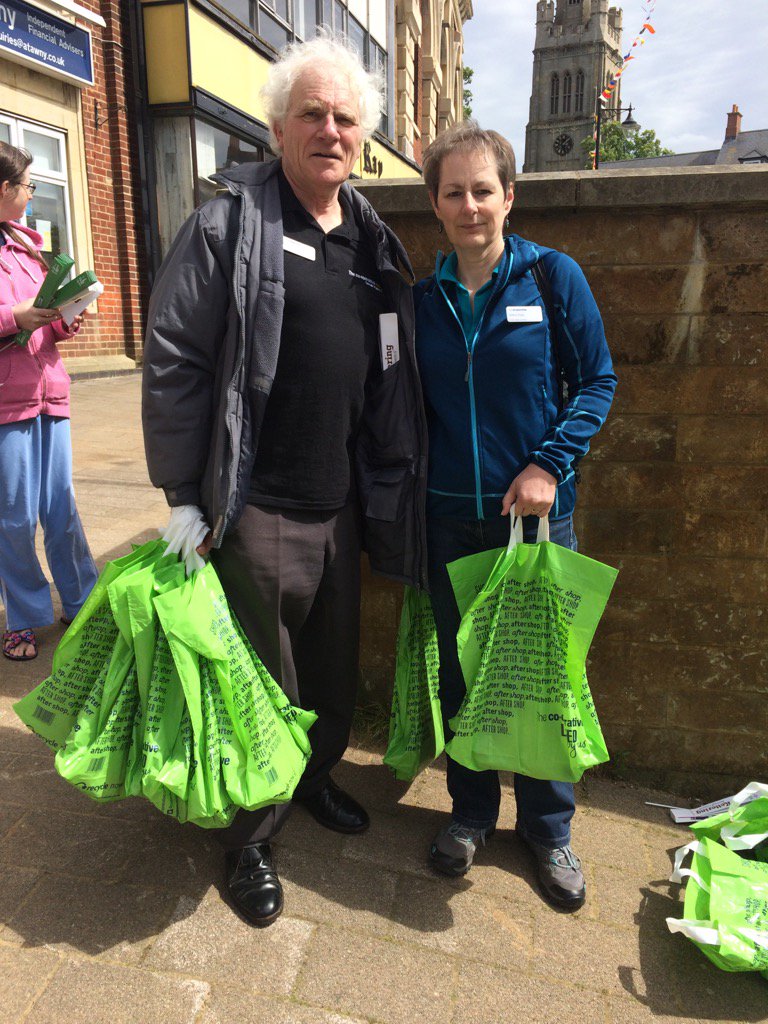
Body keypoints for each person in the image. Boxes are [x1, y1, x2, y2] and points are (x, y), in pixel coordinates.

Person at [142, 36, 427, 928]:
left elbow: (388, 373)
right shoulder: (227, 226)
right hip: (255, 503)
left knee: (331, 670)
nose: (330, 130)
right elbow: (176, 358)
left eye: (345, 117)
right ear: (276, 128)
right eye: (312, 114)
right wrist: (184, 496)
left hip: (342, 503)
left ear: (362, 136)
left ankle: (312, 777)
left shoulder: (373, 243)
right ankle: (249, 838)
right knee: (259, 680)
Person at [414, 121, 617, 910]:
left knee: (541, 678)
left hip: (531, 523)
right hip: (450, 520)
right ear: (436, 203)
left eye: (483, 190)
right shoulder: (423, 300)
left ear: (509, 196)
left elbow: (596, 381)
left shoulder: (551, 278)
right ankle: (469, 813)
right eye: (454, 192)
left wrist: (547, 465)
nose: (470, 206)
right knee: (461, 674)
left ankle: (548, 829)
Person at [0, 142, 97, 662]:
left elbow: (48, 319)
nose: (33, 194)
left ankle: (81, 601)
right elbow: (16, 316)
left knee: (61, 508)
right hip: (6, 404)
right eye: (28, 186)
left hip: (49, 395)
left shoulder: (31, 248)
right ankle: (23, 617)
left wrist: (66, 317)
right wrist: (14, 317)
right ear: (5, 188)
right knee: (14, 517)